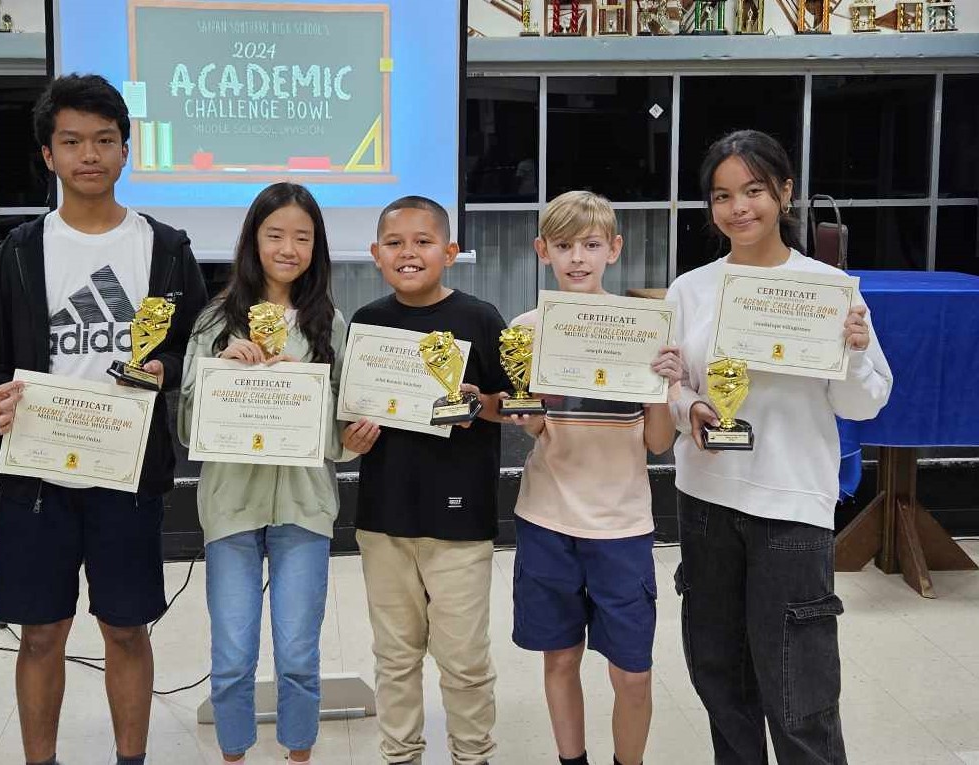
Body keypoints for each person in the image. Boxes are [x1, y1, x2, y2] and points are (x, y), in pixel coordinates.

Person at [0, 73, 207, 765]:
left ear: (126, 149)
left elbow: (196, 344)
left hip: (129, 471)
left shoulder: (165, 248)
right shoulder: (17, 251)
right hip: (38, 472)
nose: (89, 154)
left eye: (105, 140)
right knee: (41, 632)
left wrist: (166, 366)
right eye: (71, 141)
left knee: (127, 628)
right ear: (48, 154)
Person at [668, 129, 892, 764]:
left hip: (792, 506)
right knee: (720, 677)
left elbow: (863, 403)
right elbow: (674, 389)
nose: (738, 208)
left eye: (754, 191)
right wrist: (692, 409)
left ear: (785, 193)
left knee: (799, 690)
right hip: (706, 500)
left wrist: (850, 352)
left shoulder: (828, 288)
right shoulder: (692, 289)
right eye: (722, 195)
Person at [177, 182, 378, 765]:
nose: (288, 248)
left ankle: (298, 753)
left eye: (302, 237)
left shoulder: (329, 324)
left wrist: (340, 426)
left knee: (297, 652)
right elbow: (190, 427)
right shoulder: (214, 319)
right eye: (275, 235)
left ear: (316, 247)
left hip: (304, 506)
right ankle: (234, 753)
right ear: (252, 241)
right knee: (234, 653)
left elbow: (344, 434)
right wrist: (220, 372)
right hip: (230, 505)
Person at [508, 190, 683, 765]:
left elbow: (658, 442)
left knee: (632, 673)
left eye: (590, 245)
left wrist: (662, 384)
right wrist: (530, 415)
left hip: (622, 526)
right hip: (547, 521)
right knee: (559, 658)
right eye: (563, 246)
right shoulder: (527, 330)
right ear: (543, 251)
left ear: (614, 249)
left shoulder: (644, 330)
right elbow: (536, 429)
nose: (577, 258)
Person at [350, 195, 510, 765]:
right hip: (383, 519)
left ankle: (472, 756)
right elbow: (353, 421)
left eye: (423, 242)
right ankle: (401, 756)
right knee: (394, 658)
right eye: (394, 243)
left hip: (460, 523)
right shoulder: (366, 323)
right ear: (375, 254)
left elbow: (512, 407)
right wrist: (352, 439)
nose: (408, 253)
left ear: (450, 251)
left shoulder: (480, 318)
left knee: (464, 659)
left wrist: (478, 400)